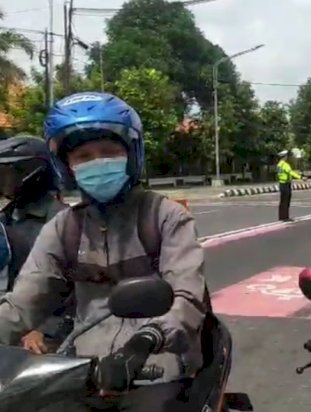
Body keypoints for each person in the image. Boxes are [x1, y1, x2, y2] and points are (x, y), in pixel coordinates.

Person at [0, 92, 208, 411]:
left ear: (131, 154)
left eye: (109, 152)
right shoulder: (62, 228)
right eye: (83, 156)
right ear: (66, 166)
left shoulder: (164, 216)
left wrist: (146, 340)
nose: (97, 162)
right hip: (84, 371)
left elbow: (186, 297)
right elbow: (22, 304)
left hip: (158, 366)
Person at [0, 135, 70, 354]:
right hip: (10, 324)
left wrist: (41, 328)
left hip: (51, 335)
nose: (3, 181)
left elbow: (71, 289)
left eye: (7, 174)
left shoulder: (62, 221)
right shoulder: (8, 217)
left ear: (32, 173)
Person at [276, 149, 302, 222]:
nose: (287, 157)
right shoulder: (285, 165)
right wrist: (300, 177)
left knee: (282, 201)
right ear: (285, 157)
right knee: (286, 201)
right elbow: (290, 172)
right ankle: (285, 217)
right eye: (286, 156)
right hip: (286, 184)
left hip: (281, 183)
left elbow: (278, 175)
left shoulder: (279, 165)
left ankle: (281, 216)